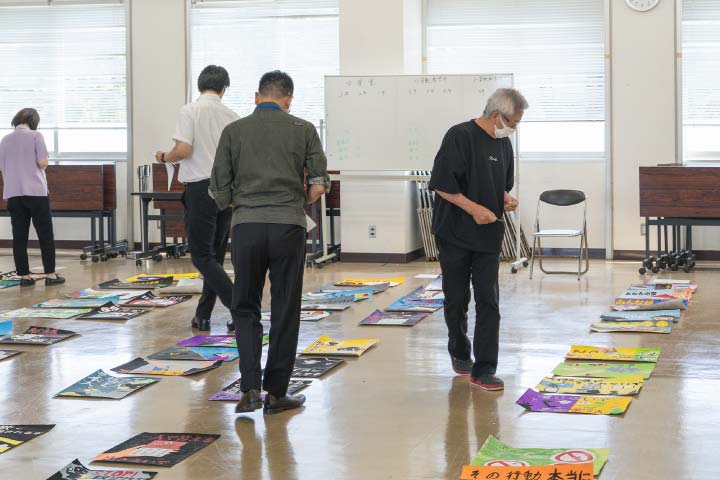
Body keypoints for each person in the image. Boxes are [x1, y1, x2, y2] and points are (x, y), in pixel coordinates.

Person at [210, 70, 330, 415]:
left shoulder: (233, 131)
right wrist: (300, 200)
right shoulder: (303, 129)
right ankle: (277, 394)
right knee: (285, 308)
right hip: (288, 227)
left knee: (245, 306)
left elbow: (218, 188)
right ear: (288, 100)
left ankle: (248, 390)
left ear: (256, 97)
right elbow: (319, 183)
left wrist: (239, 203)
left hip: (246, 227)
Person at [428, 88, 527, 391]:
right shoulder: (459, 136)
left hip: (488, 233)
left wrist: (505, 200)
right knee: (457, 299)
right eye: (514, 121)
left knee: (489, 300)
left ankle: (484, 368)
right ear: (497, 115)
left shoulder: (504, 144)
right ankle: (459, 350)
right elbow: (442, 185)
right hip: (455, 232)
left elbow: (499, 186)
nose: (515, 128)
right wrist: (473, 209)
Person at [155, 65, 239, 332]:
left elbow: (184, 149)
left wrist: (164, 157)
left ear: (200, 85)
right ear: (224, 89)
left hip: (200, 189)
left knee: (201, 256)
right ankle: (202, 315)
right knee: (214, 255)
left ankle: (240, 307)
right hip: (226, 191)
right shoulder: (232, 115)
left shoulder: (190, 110)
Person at [0, 108, 64, 286]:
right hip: (35, 192)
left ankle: (24, 277)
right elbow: (42, 163)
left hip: (13, 193)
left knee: (19, 236)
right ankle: (50, 275)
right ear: (33, 121)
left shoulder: (5, 139)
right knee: (45, 234)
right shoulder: (36, 136)